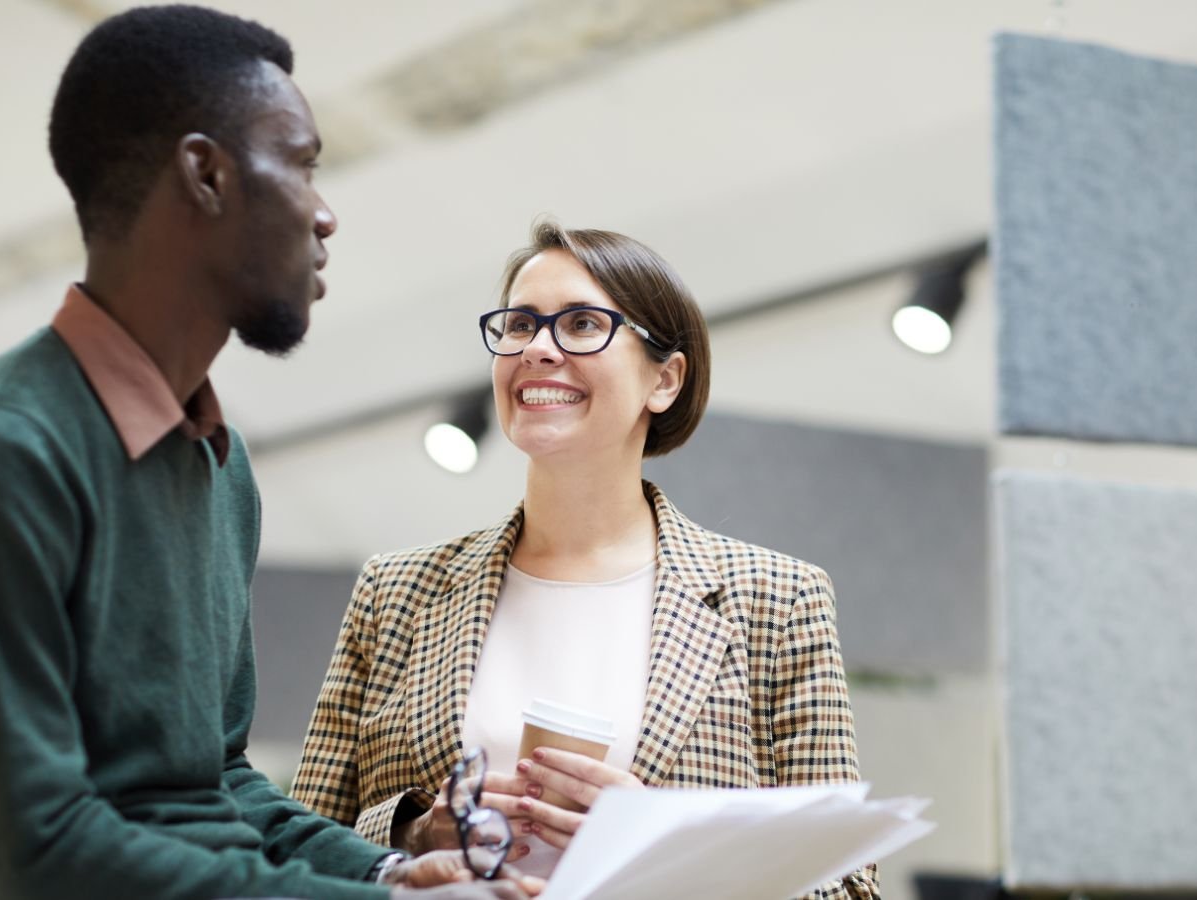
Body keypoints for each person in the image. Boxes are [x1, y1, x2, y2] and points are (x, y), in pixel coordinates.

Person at [0, 6, 528, 899]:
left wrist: (392, 873)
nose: (324, 215)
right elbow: (44, 851)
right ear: (206, 175)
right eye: (301, 163)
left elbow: (218, 783)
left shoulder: (222, 466)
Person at [292, 220, 881, 899]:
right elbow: (297, 849)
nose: (538, 349)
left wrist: (668, 846)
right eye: (519, 325)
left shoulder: (778, 601)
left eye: (579, 325)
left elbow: (848, 889)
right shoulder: (397, 591)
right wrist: (415, 838)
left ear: (664, 379)